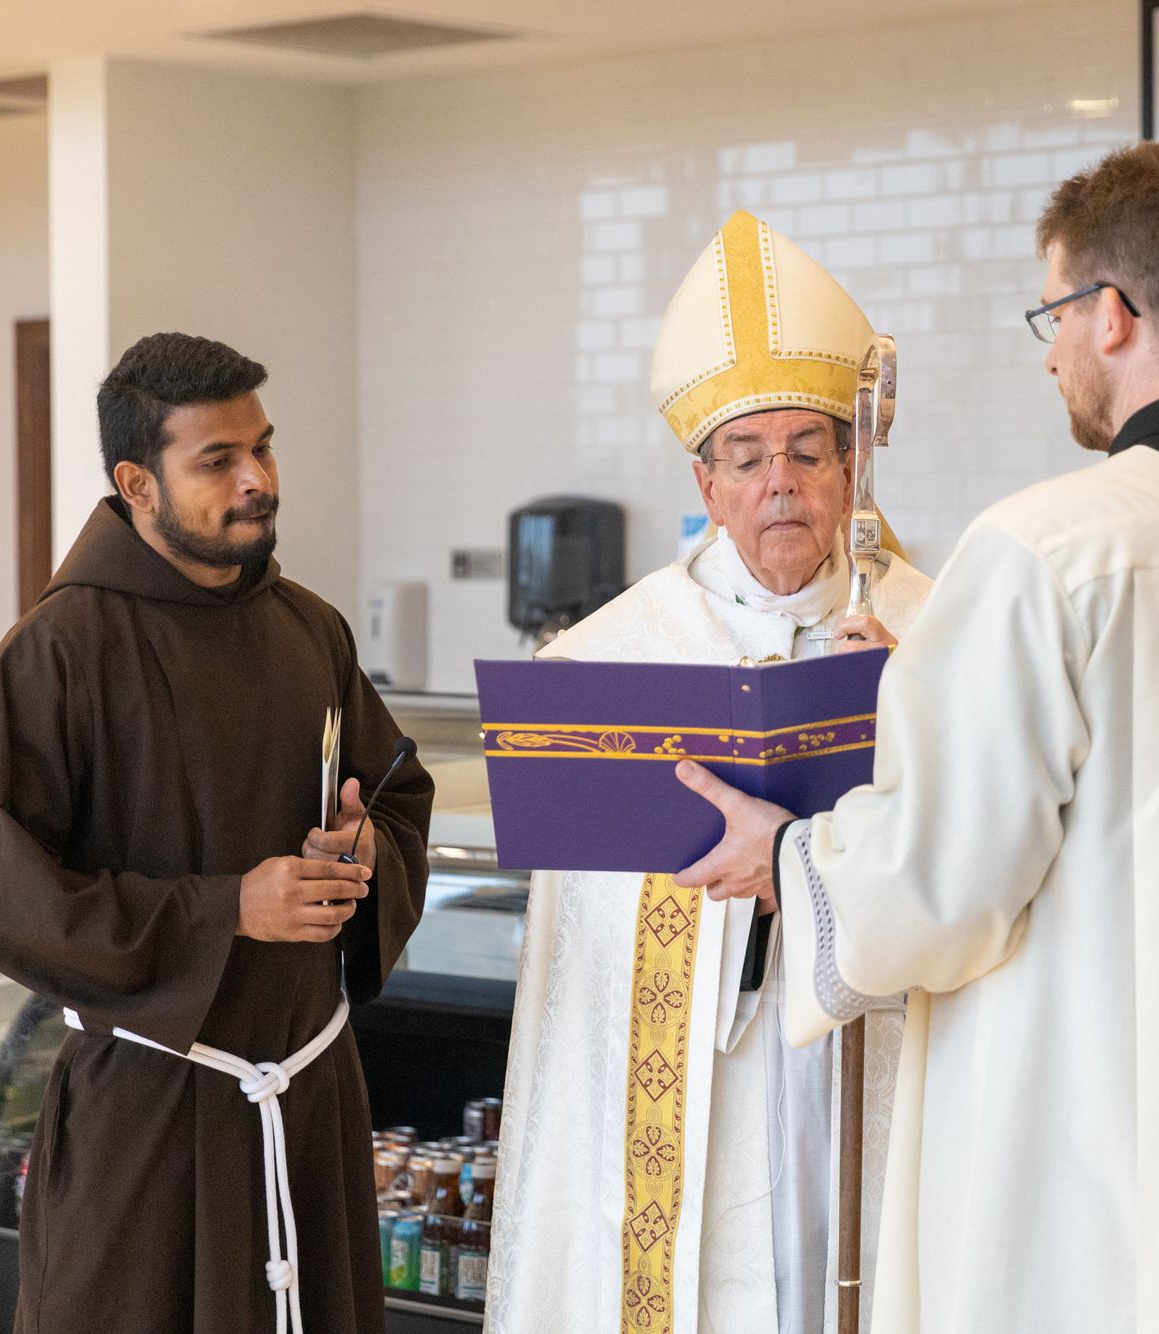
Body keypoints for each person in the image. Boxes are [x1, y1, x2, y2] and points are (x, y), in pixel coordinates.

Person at [672, 143, 1159, 1331]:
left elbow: (943, 874)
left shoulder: (1050, 546)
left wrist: (786, 855)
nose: (1050, 351)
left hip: (1092, 1167)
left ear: (1112, 315)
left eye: (1055, 315)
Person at [486, 211, 933, 1334]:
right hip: (699, 1092)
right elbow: (580, 962)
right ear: (705, 476)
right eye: (747, 456)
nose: (779, 481)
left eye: (806, 448)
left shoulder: (943, 635)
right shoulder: (600, 660)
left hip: (873, 1072)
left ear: (850, 463)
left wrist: (922, 706)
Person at [0, 333, 433, 1334]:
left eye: (261, 447)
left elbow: (394, 792)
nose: (257, 478)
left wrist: (367, 850)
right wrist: (230, 908)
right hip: (148, 1112)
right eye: (217, 459)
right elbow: (0, 898)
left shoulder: (311, 629)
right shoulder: (55, 653)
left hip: (305, 1091)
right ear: (137, 481)